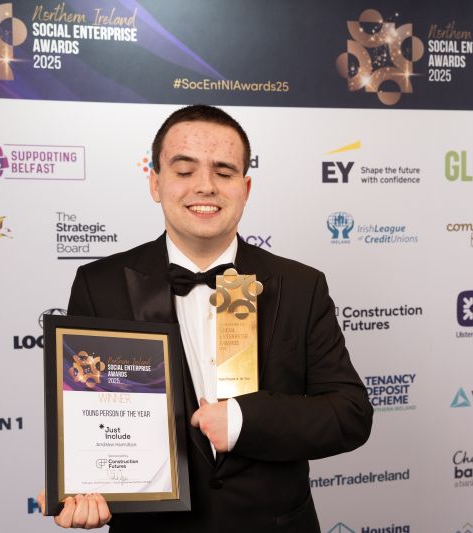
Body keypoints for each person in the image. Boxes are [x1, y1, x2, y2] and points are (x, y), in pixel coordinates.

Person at [38, 104, 373, 532]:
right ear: (155, 183)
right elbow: (90, 417)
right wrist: (80, 487)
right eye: (184, 170)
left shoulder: (301, 285)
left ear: (245, 187)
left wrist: (242, 421)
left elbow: (349, 415)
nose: (205, 186)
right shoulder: (99, 285)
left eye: (224, 171)